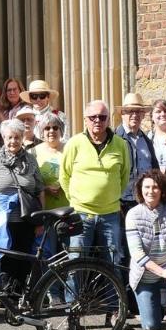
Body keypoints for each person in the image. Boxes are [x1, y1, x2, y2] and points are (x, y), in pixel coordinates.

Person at [59, 100, 130, 272]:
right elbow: (64, 176)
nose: (97, 120)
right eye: (93, 117)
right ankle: (73, 300)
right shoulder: (74, 143)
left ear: (108, 120)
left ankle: (115, 300)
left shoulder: (121, 144)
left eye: (102, 117)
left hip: (110, 213)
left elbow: (125, 175)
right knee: (75, 264)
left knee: (113, 264)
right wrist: (76, 200)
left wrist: (111, 196)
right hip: (81, 213)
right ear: (85, 119)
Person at [0, 119, 43, 310]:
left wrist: (41, 218)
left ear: (22, 138)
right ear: (3, 139)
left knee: (23, 259)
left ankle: (20, 298)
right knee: (5, 260)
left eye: (16, 137)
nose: (13, 141)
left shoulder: (31, 160)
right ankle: (8, 299)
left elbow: (39, 189)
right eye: (9, 138)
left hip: (25, 219)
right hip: (1, 220)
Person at [124, 170, 166, 330]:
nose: (150, 191)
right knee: (151, 326)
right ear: (140, 190)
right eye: (146, 187)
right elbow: (137, 254)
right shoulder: (133, 214)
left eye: (155, 187)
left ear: (162, 190)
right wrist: (163, 272)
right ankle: (156, 309)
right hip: (145, 275)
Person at [116, 94, 157, 218]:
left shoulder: (147, 141)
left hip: (144, 200)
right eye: (130, 111)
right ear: (122, 114)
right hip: (121, 203)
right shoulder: (114, 139)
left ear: (143, 115)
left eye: (138, 111)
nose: (134, 115)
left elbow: (154, 170)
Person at [32, 112, 69, 211]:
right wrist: (44, 188)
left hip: (68, 207)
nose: (51, 131)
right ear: (42, 132)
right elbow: (29, 180)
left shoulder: (70, 149)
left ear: (61, 130)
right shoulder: (33, 152)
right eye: (47, 128)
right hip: (43, 208)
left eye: (55, 128)